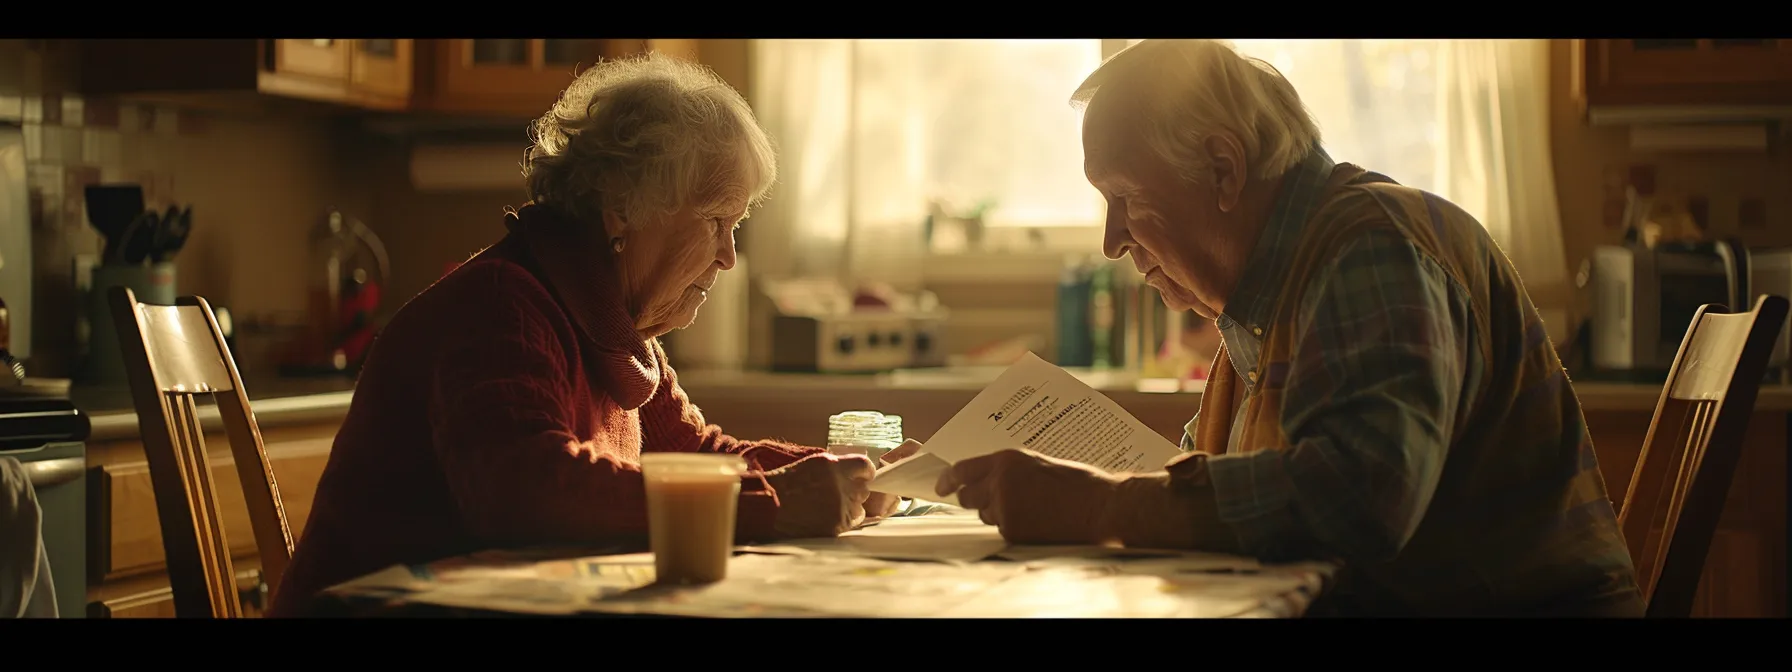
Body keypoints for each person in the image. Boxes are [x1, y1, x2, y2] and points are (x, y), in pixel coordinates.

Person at [933, 39, 1644, 618]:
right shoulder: (1268, 306)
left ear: (1223, 169)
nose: (1112, 241)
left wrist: (1096, 502)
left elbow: (1362, 498)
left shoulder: (1371, 247)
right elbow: (1217, 492)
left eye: (1125, 197)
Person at [268, 52, 915, 617]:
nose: (728, 258)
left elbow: (697, 456)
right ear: (623, 213)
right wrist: (770, 505)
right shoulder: (502, 306)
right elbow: (522, 488)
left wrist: (841, 475)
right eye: (718, 221)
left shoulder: (611, 324)